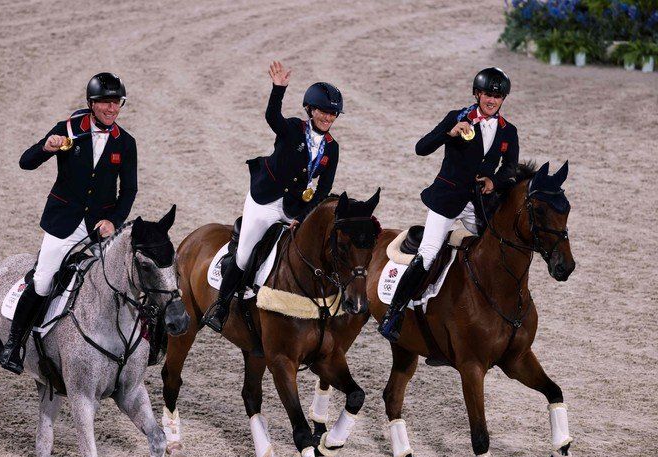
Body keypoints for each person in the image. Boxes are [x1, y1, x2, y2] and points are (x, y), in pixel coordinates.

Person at [0, 72, 138, 373]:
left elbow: (129, 190)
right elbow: (26, 161)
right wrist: (47, 147)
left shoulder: (125, 143)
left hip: (99, 228)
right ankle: (14, 344)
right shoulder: (69, 130)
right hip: (65, 223)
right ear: (91, 104)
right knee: (44, 278)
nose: (112, 109)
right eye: (105, 104)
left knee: (126, 278)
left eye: (117, 103)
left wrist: (113, 221)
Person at [378, 67, 519, 343]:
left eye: (498, 96)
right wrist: (449, 133)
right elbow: (421, 147)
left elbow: (510, 168)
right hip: (447, 199)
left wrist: (494, 182)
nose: (492, 100)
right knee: (429, 253)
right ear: (477, 94)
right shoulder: (457, 118)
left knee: (494, 250)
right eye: (488, 94)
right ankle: (394, 313)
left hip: (477, 204)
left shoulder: (508, 131)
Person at [202, 61, 343, 332]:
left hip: (294, 207)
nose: (328, 117)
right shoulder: (292, 128)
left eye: (333, 114)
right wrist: (278, 89)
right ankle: (220, 306)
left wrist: (303, 217)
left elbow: (324, 189)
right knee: (244, 255)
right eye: (324, 111)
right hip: (265, 200)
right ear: (311, 110)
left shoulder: (331, 148)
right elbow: (271, 117)